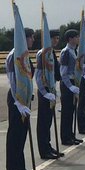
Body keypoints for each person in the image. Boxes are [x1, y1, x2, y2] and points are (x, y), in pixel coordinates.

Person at [5, 28, 35, 170]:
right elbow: (13, 80)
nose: (33, 40)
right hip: (16, 98)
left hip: (24, 98)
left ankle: (20, 165)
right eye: (31, 37)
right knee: (15, 134)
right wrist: (18, 102)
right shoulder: (14, 55)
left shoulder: (24, 54)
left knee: (22, 134)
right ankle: (13, 168)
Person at [35, 31, 63, 160]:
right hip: (45, 91)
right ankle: (44, 149)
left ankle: (48, 145)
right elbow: (39, 75)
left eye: (58, 38)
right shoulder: (42, 54)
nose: (56, 41)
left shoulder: (51, 52)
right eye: (54, 38)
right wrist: (45, 93)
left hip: (51, 89)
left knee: (49, 121)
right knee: (43, 122)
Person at [59, 30, 83, 145]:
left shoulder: (74, 51)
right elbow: (63, 73)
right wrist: (70, 86)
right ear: (70, 39)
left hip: (74, 82)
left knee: (72, 110)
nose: (78, 39)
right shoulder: (66, 52)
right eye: (76, 37)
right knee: (66, 112)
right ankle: (65, 137)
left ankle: (71, 135)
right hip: (67, 83)